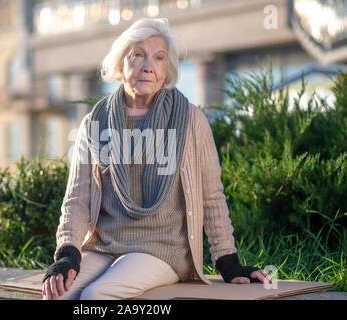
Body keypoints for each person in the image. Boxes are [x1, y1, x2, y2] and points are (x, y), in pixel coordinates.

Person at [42, 18, 272, 300]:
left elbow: (212, 196)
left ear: (167, 68)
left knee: (97, 296)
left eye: (158, 58)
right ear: (120, 63)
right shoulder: (95, 123)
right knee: (58, 296)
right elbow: (77, 199)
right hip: (104, 248)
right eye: (137, 55)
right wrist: (67, 254)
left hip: (163, 251)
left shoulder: (190, 120)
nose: (148, 66)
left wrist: (228, 261)